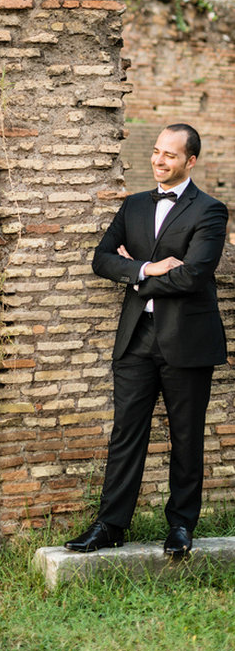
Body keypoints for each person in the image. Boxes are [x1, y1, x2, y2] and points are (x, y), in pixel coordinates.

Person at [65, 123, 228, 557]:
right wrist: (148, 269)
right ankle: (110, 525)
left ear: (190, 161)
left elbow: (195, 274)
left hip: (187, 339)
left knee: (186, 436)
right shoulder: (133, 206)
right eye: (156, 151)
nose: (159, 160)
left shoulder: (210, 210)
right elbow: (101, 259)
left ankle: (181, 526)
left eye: (170, 155)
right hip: (136, 338)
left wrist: (133, 275)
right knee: (126, 434)